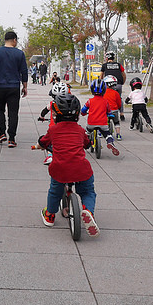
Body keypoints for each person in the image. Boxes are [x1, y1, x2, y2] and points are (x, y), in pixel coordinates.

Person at [37, 92, 99, 237]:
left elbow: (43, 142)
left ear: (56, 114)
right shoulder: (80, 130)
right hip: (80, 169)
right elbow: (87, 144)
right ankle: (88, 211)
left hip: (60, 169)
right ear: (77, 114)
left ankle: (50, 215)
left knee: (55, 191)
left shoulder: (53, 130)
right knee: (87, 192)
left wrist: (39, 145)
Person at [0, 31, 29, 148]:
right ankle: (12, 139)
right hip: (14, 87)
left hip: (0, 87)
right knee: (13, 113)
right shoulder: (19, 54)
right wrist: (25, 86)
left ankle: (2, 133)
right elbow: (24, 72)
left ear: (5, 39)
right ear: (14, 40)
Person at [81, 78, 119, 156]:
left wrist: (83, 113)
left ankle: (83, 144)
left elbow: (83, 110)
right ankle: (110, 142)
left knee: (86, 133)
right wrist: (109, 115)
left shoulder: (89, 101)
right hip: (103, 124)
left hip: (91, 123)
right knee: (107, 134)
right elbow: (109, 112)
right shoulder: (106, 102)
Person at [37, 81, 71, 165]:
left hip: (53, 127)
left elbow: (44, 111)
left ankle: (50, 156)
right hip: (66, 126)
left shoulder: (52, 103)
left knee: (49, 141)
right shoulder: (69, 104)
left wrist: (41, 117)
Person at [103, 75, 124, 141]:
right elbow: (119, 102)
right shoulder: (116, 93)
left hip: (105, 111)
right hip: (114, 110)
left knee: (103, 122)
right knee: (116, 122)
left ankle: (100, 133)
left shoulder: (103, 93)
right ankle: (118, 134)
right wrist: (119, 108)